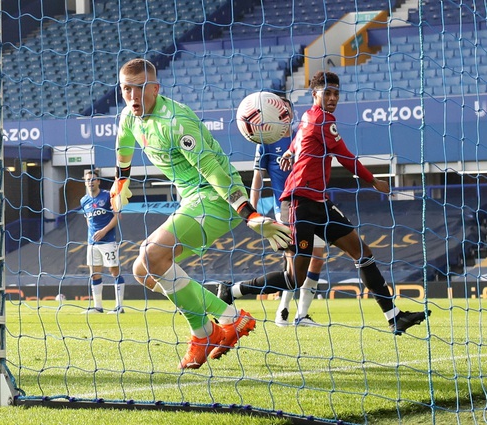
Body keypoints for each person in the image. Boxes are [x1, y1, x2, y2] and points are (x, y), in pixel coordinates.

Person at [111, 58, 292, 369]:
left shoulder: (177, 122)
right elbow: (124, 144)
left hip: (218, 198)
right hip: (192, 199)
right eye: (127, 89)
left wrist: (249, 215)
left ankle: (229, 317)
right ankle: (204, 332)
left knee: (152, 255)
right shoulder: (129, 116)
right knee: (143, 272)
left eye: (140, 89)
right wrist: (121, 178)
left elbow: (213, 171)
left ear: (155, 87)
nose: (133, 96)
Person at [278, 71, 430, 335]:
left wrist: (291, 151)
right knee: (296, 277)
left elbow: (299, 137)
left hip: (320, 202)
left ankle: (395, 318)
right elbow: (346, 157)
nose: (333, 98)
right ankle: (234, 290)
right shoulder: (323, 120)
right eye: (327, 93)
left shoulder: (308, 117)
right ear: (314, 94)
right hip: (301, 200)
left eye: (336, 93)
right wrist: (373, 181)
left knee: (363, 252)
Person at [217, 96, 326, 327]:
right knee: (301, 261)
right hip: (285, 210)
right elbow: (258, 177)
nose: (284, 115)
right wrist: (252, 212)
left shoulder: (303, 136)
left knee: (309, 260)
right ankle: (287, 312)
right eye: (280, 110)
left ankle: (293, 313)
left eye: (287, 110)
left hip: (310, 205)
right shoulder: (265, 142)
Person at [80, 169, 125, 314]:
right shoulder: (84, 200)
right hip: (92, 243)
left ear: (98, 181)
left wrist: (104, 231)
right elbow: (88, 219)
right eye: (88, 180)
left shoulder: (107, 196)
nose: (90, 182)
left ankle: (119, 307)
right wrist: (92, 234)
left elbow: (118, 216)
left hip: (108, 241)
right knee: (94, 273)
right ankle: (98, 307)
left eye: (93, 179)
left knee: (114, 271)